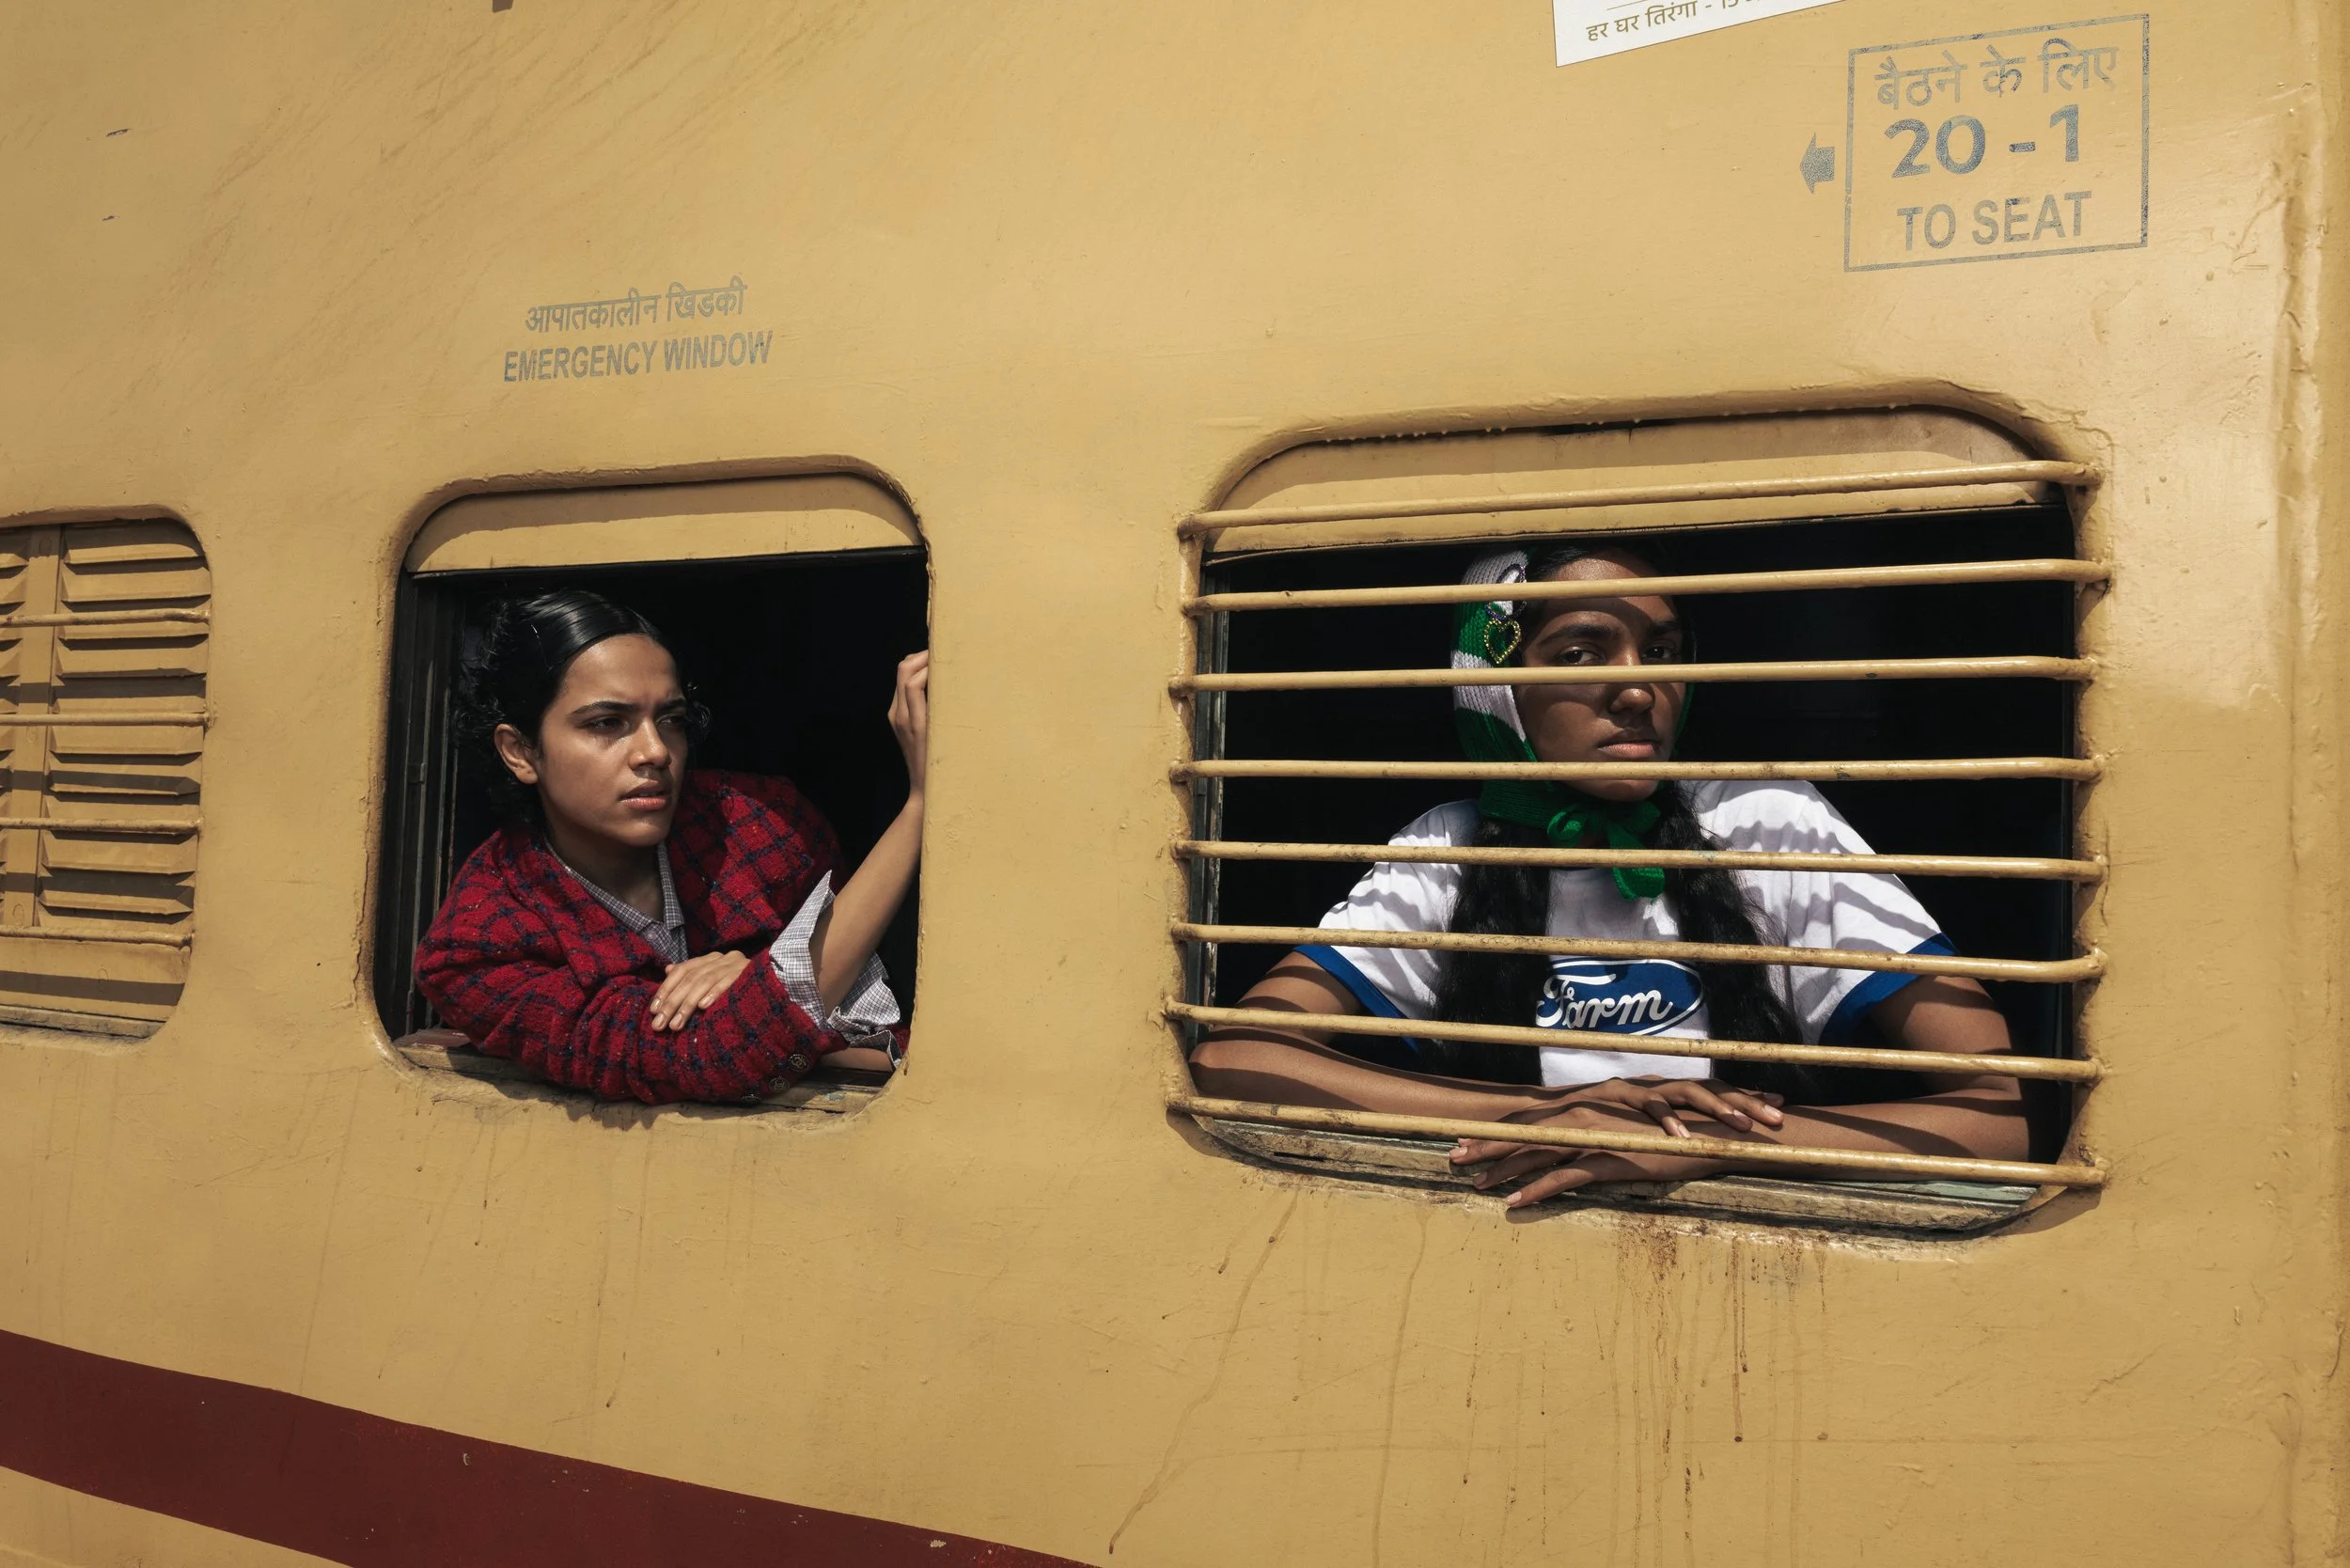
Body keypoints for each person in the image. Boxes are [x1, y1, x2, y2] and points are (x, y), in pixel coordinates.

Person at [1186, 541, 2029, 1207]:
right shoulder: (1449, 849)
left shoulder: (1769, 824)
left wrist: (1710, 1147)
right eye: (1583, 651)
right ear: (1496, 691)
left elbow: (1997, 1122)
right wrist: (1544, 1115)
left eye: (1661, 649)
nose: (1638, 689)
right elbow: (1240, 1060)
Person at [413, 589, 926, 1105]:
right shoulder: (478, 946)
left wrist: (757, 987)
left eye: (671, 719)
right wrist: (921, 804)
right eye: (606, 723)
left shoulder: (768, 828)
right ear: (521, 751)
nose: (655, 751)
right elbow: (704, 1059)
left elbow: (897, 1046)